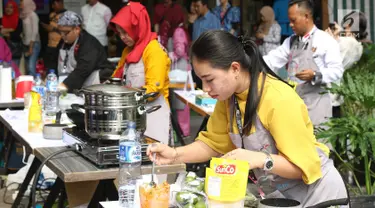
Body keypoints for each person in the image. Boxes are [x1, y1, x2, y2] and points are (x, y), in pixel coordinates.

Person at [147, 30, 349, 207]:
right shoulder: (228, 99)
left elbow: (304, 166)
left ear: (235, 68)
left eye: (209, 80)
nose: (205, 89)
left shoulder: (278, 99)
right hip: (281, 196)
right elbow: (214, 144)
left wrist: (261, 160)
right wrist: (173, 154)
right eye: (201, 80)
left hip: (319, 195)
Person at [263, 0, 344, 127]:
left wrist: (315, 75)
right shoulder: (291, 42)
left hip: (317, 105)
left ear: (306, 16)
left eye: (293, 20)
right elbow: (271, 59)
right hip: (294, 104)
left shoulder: (325, 40)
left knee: (318, 145)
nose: (290, 24)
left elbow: (337, 71)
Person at [111, 2, 171, 145]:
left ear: (138, 27)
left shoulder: (154, 50)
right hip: (132, 116)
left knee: (153, 161)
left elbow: (154, 90)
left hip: (153, 116)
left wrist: (125, 99)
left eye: (126, 32)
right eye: (120, 33)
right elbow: (116, 78)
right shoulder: (128, 50)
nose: (122, 37)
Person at [56, 11, 114, 92]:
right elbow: (55, 59)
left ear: (77, 29)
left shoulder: (89, 44)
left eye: (65, 32)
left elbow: (83, 69)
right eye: (60, 32)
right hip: (74, 80)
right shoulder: (64, 41)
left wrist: (65, 85)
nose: (62, 35)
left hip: (95, 82)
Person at [41, 0, 66, 70]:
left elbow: (67, 30)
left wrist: (53, 29)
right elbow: (50, 27)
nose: (53, 7)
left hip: (59, 46)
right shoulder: (52, 14)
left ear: (60, 3)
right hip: (49, 45)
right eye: (52, 5)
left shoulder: (66, 15)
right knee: (49, 67)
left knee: (58, 67)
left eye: (54, 4)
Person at [1, 0, 23, 76]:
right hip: (2, 52)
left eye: (11, 7)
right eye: (7, 7)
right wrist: (10, 30)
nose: (8, 9)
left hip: (15, 50)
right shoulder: (1, 20)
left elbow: (17, 35)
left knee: (14, 73)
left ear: (15, 9)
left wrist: (5, 31)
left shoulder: (19, 21)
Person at [20, 0, 41, 77]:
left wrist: (31, 47)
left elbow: (35, 32)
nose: (20, 6)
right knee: (27, 67)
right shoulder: (23, 15)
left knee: (31, 67)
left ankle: (32, 86)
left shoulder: (33, 15)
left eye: (22, 4)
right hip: (25, 44)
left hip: (33, 44)